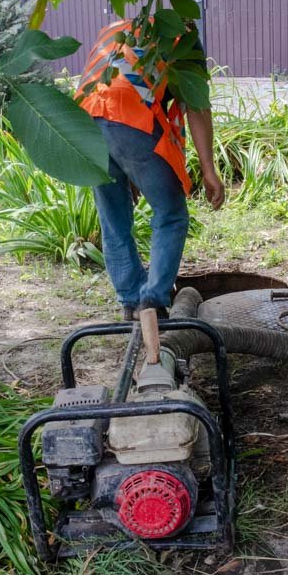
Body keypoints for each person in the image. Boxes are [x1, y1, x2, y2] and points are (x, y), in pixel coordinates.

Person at [76, 20, 226, 365]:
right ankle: (154, 301)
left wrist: (126, 166)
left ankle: (131, 300)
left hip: (84, 120)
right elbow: (197, 106)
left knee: (113, 217)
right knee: (171, 214)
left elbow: (108, 93)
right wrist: (208, 170)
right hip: (129, 116)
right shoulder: (183, 39)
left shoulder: (120, 28)